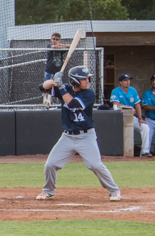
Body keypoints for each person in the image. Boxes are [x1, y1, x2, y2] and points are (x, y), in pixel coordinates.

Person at [37, 66, 121, 201]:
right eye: (84, 79)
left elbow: (73, 104)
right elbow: (43, 87)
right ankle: (48, 191)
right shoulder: (66, 90)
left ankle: (114, 190)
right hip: (67, 136)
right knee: (50, 164)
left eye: (88, 78)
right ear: (75, 81)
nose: (88, 81)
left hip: (86, 136)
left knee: (95, 165)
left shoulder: (89, 94)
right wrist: (54, 80)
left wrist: (61, 86)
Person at [110, 73, 151, 157]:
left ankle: (145, 152)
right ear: (120, 82)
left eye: (128, 80)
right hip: (119, 117)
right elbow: (115, 104)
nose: (128, 82)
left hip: (131, 117)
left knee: (145, 127)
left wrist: (140, 118)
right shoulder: (116, 91)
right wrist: (128, 107)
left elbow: (137, 105)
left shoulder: (133, 90)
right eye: (125, 80)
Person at [141, 74, 155, 156]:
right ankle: (143, 158)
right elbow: (144, 106)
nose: (154, 82)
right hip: (150, 119)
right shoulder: (147, 93)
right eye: (152, 81)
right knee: (146, 141)